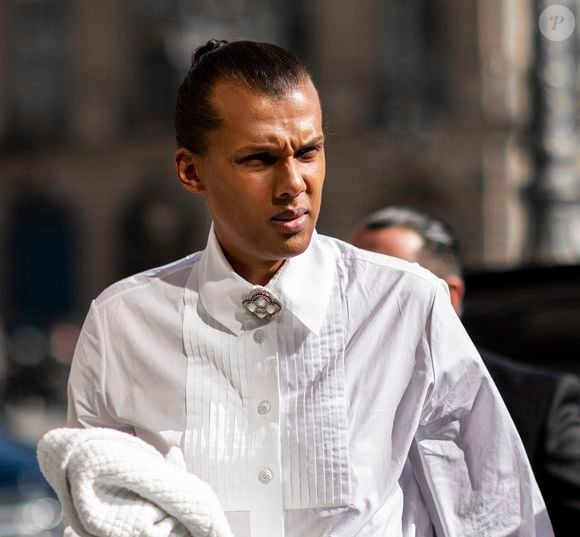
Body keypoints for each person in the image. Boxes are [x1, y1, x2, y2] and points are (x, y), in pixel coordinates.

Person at [67, 40, 552, 536]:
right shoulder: (122, 323)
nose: (293, 182)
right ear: (192, 171)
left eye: (309, 151)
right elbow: (95, 515)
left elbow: (492, 514)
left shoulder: (406, 304)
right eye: (259, 159)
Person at [349, 205, 580, 535]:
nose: (363, 305)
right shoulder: (334, 394)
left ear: (447, 296)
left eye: (387, 288)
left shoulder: (539, 402)